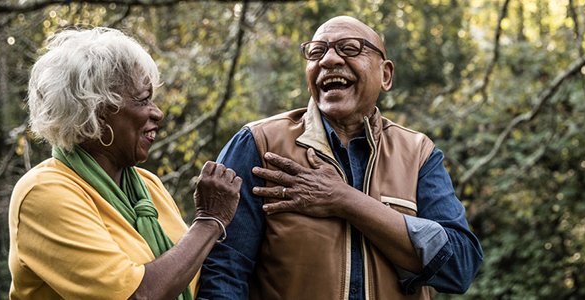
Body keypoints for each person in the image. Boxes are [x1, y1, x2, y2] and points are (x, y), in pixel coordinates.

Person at [197, 16, 483, 299]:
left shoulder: (419, 153)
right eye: (316, 51)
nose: (328, 60)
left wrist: (344, 200)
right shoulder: (259, 144)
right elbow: (223, 272)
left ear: (385, 74)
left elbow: (460, 267)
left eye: (349, 48)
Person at [8, 27, 242, 300]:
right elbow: (138, 295)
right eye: (143, 100)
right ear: (96, 115)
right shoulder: (44, 194)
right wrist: (208, 222)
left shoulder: (148, 186)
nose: (158, 113)